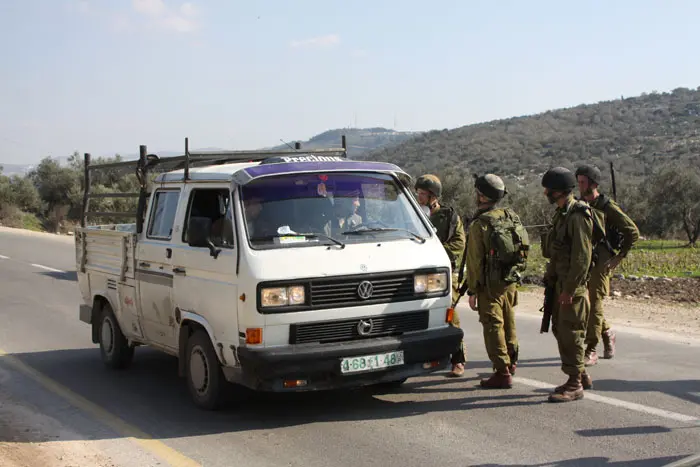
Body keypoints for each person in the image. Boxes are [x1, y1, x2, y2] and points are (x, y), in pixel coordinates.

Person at [465, 174, 525, 389]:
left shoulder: (479, 225)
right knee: (509, 322)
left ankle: (502, 371)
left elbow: (474, 262)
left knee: (492, 326)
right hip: (509, 281)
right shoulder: (511, 216)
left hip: (489, 286)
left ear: (481, 196)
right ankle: (512, 360)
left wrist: (472, 291)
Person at [575, 165, 640, 365]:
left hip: (601, 260)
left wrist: (620, 256)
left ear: (593, 184)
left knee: (595, 304)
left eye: (583, 182)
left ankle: (591, 349)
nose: (579, 186)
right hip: (583, 259)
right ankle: (607, 332)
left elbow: (632, 231)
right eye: (578, 182)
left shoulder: (607, 206)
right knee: (585, 304)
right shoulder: (579, 205)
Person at [541, 167, 594, 403]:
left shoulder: (577, 216)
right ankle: (580, 374)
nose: (545, 193)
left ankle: (574, 384)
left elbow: (582, 257)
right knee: (560, 330)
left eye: (548, 189)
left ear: (559, 191)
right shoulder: (562, 214)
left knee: (570, 332)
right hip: (560, 282)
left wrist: (570, 289)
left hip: (572, 286)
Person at [415, 174, 467, 377]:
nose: (419, 197)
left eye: (423, 194)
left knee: (450, 314)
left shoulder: (449, 216)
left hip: (440, 273)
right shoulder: (411, 214)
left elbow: (459, 244)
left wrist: (434, 250)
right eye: (417, 193)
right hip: (415, 273)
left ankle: (458, 360)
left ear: (433, 196)